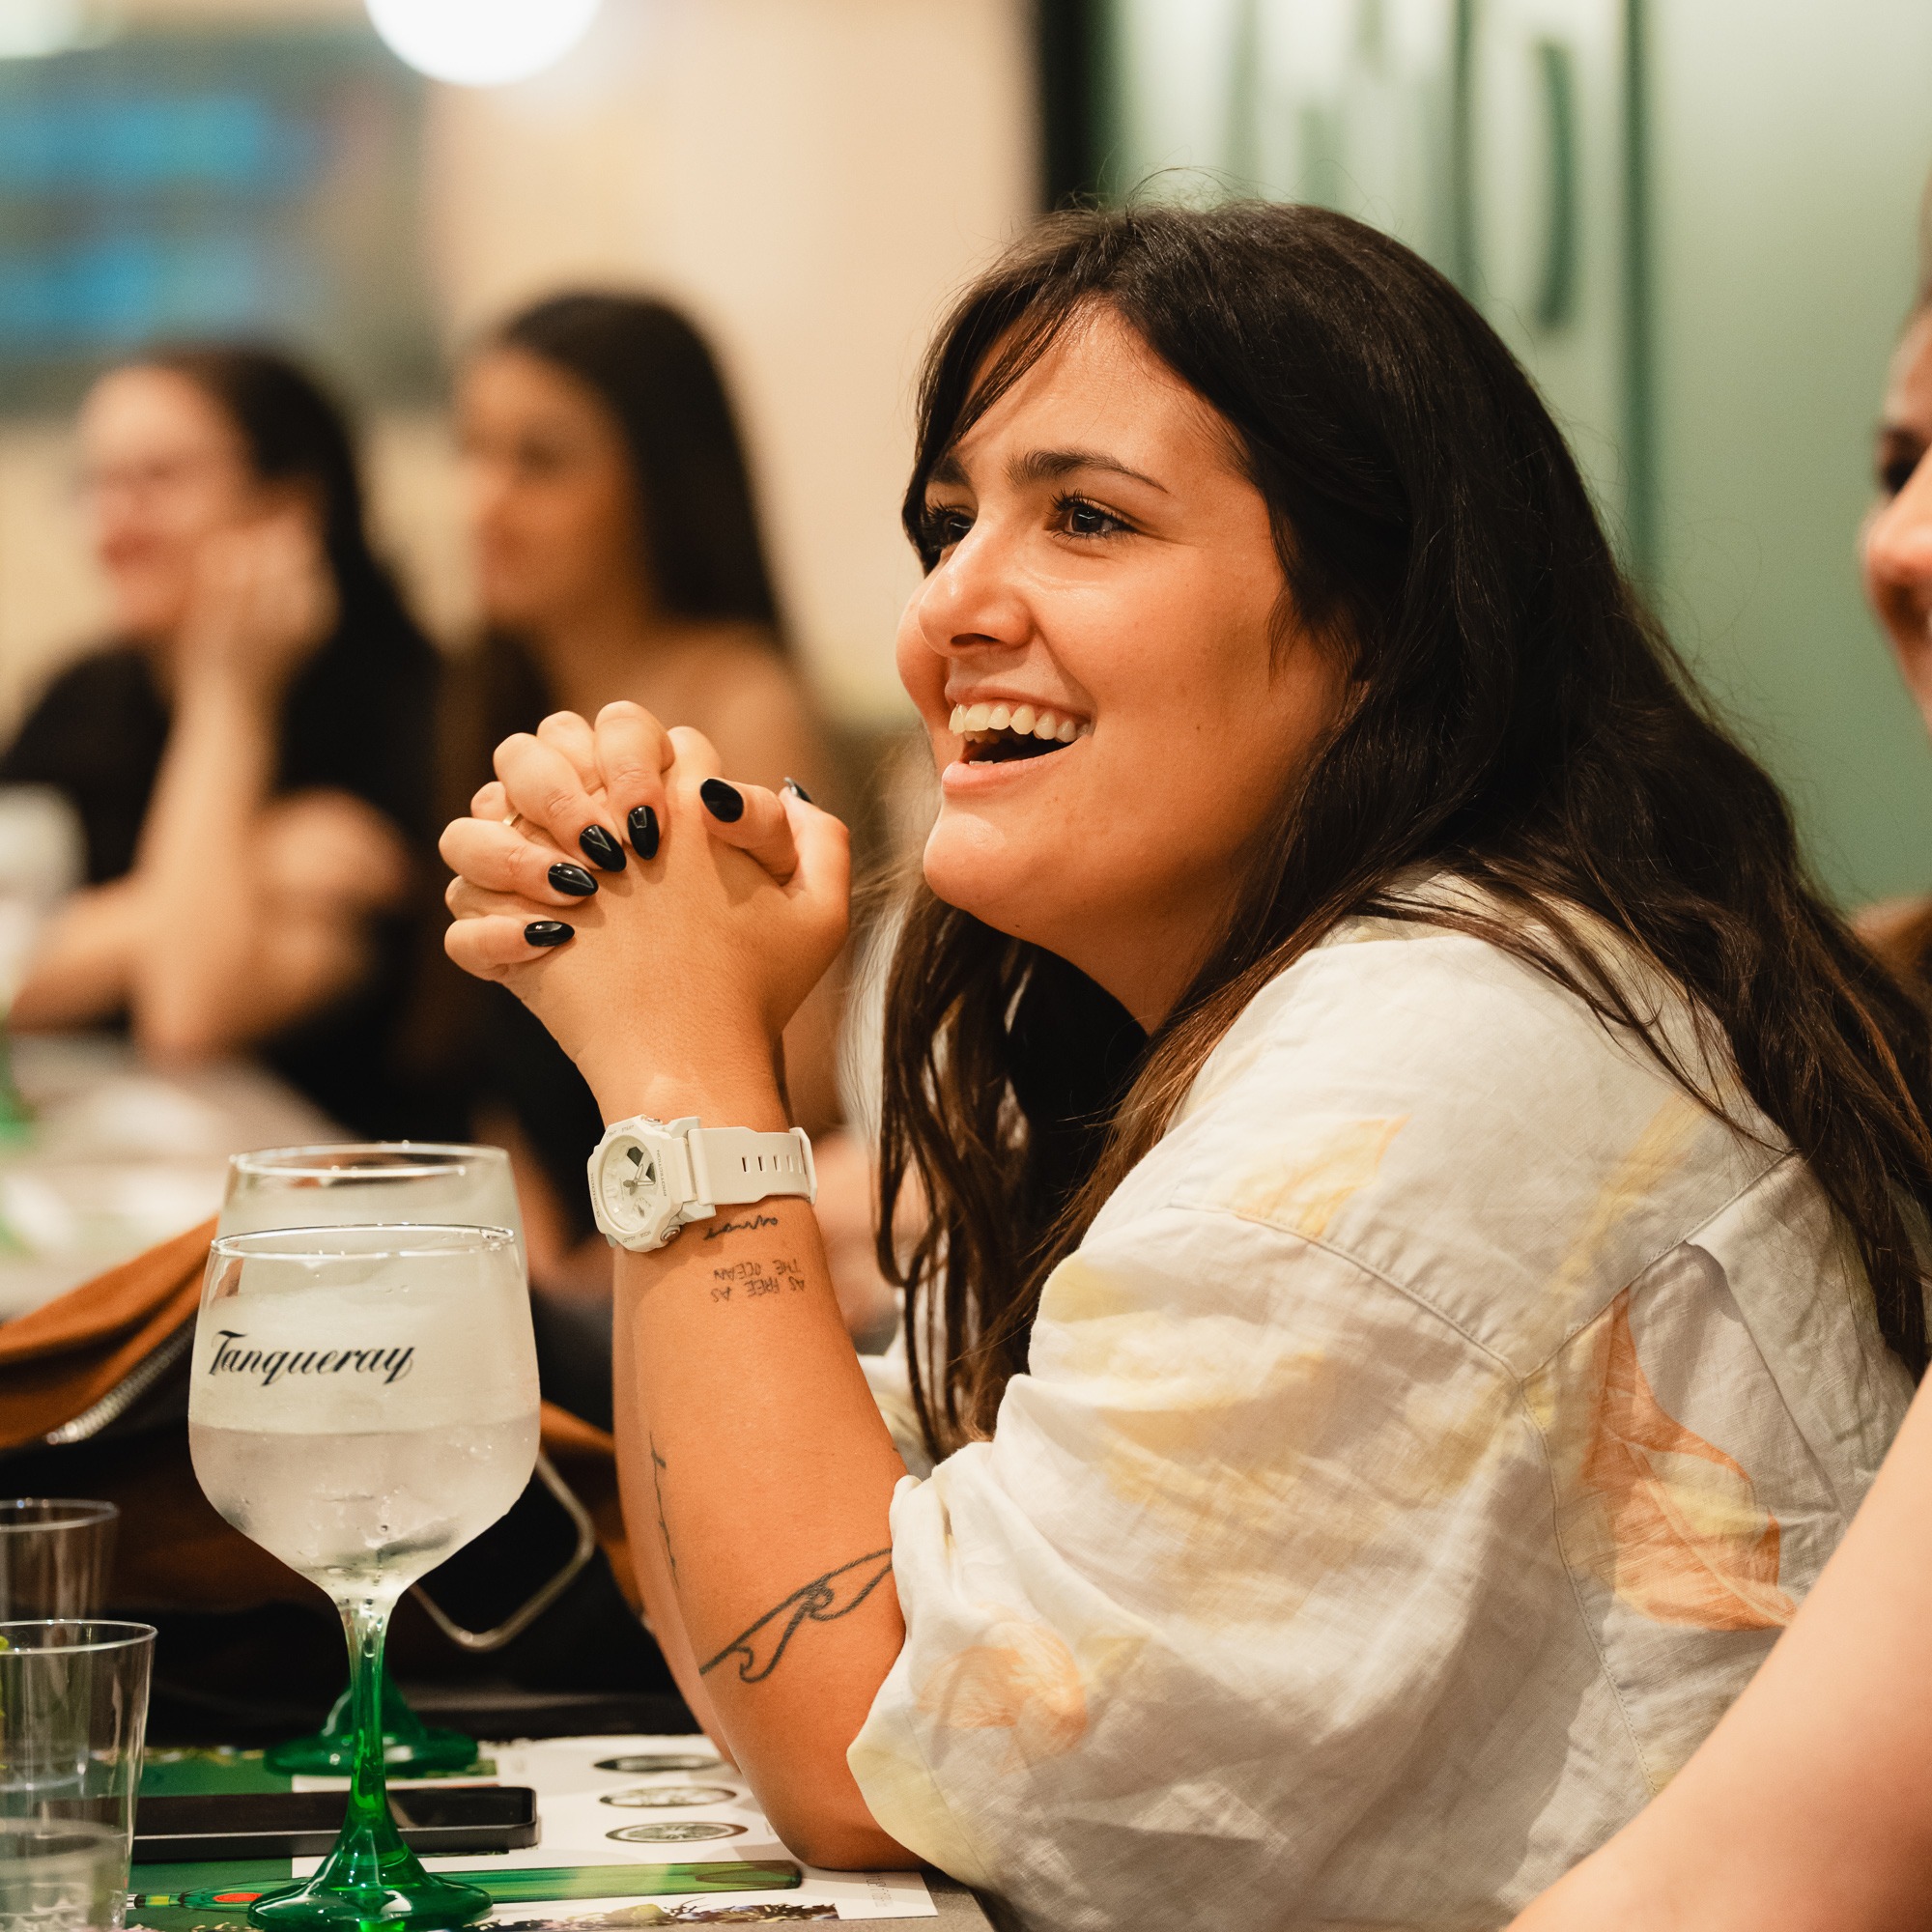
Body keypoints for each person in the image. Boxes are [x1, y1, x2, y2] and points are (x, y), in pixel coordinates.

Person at [438, 204, 1932, 1928]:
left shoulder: (1435, 1055)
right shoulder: (1294, 999)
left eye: (1084, 519)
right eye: (950, 523)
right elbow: (882, 1520)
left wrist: (683, 1076)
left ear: (1383, 630)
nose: (952, 609)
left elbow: (866, 1729)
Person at [1497, 188, 1932, 1932]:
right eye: (1899, 458)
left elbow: (1739, 1890)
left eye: (1088, 518)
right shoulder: (1835, 999)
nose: (1903, 543)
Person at [448, 293, 845, 1295]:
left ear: (657, 483)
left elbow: (795, 1076)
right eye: (475, 451)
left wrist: (607, 1247)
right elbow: (475, 1039)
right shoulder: (486, 693)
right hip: (532, 1241)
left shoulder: (740, 704)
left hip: (680, 1240)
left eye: (540, 462)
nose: (485, 502)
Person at [0, 346, 445, 1137]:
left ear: (289, 508)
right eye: (95, 482)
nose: (113, 522)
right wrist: (257, 860)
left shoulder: (404, 715)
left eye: (158, 480)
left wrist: (229, 701)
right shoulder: (81, 701)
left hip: (334, 1213)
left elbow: (190, 1015)